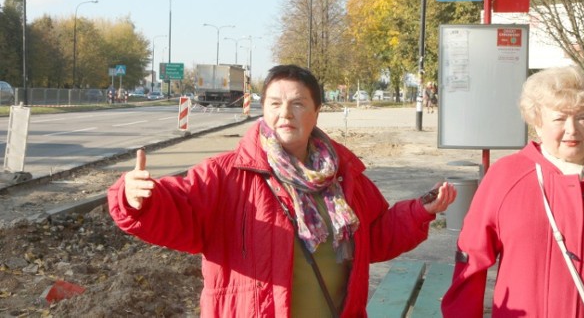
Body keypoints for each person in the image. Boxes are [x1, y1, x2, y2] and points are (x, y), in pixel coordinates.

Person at [108, 64, 457, 317]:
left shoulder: (345, 176)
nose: (285, 113)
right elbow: (179, 210)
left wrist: (419, 212)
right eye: (274, 104)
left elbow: (374, 239)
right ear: (263, 111)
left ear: (316, 112)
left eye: (298, 104)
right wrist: (135, 197)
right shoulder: (226, 175)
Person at [441, 66, 584, 317]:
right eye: (559, 118)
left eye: (582, 117)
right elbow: (471, 259)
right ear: (538, 122)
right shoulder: (506, 177)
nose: (572, 129)